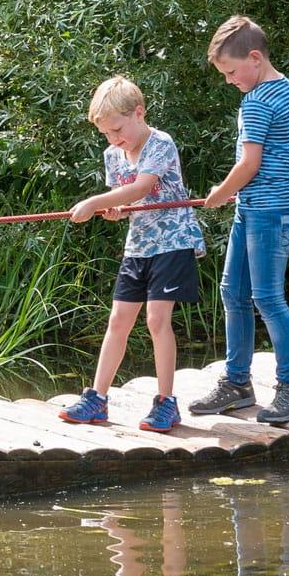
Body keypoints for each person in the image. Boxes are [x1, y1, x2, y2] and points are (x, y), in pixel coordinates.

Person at [189, 15, 289, 423]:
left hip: (268, 213)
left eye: (231, 71)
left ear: (255, 58)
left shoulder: (259, 100)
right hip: (257, 208)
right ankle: (237, 384)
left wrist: (220, 194)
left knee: (267, 298)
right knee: (233, 292)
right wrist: (286, 173)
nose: (229, 80)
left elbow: (249, 162)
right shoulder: (285, 87)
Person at [58, 75, 206, 432]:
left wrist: (94, 202)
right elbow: (128, 199)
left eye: (117, 129)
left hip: (173, 241)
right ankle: (97, 397)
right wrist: (115, 210)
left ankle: (166, 402)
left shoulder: (161, 143)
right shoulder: (113, 154)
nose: (113, 139)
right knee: (118, 321)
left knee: (157, 320)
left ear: (139, 113)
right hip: (138, 245)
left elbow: (142, 186)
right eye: (106, 133)